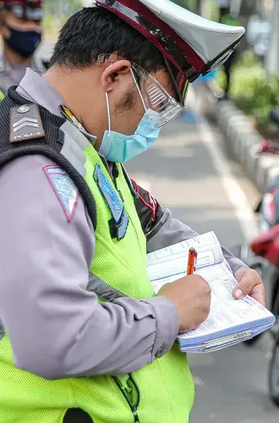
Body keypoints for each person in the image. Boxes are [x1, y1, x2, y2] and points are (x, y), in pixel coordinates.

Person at [0, 1, 264, 422]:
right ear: (115, 75)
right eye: (154, 104)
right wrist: (169, 314)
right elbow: (50, 337)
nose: (152, 125)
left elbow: (149, 223)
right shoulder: (37, 167)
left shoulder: (79, 141)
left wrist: (226, 270)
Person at [0, 0, 44, 95]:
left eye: (37, 21)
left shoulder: (53, 74)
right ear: (2, 25)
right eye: (22, 20)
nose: (32, 27)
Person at [219, 6, 241, 99]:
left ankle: (226, 92)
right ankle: (227, 92)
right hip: (233, 50)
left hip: (227, 50)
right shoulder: (235, 20)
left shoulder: (224, 19)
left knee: (226, 71)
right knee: (228, 72)